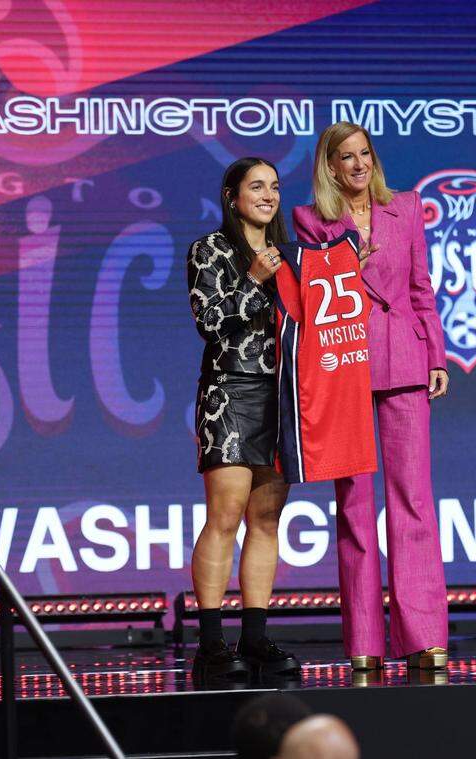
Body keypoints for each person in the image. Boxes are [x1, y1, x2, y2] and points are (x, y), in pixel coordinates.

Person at [293, 122, 450, 672]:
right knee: (355, 508)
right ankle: (365, 640)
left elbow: (419, 287)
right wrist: (348, 263)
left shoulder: (406, 207)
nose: (358, 164)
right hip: (347, 368)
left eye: (365, 154)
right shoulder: (310, 219)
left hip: (405, 359)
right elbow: (317, 295)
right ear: (330, 167)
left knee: (413, 501)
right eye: (346, 157)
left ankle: (424, 636)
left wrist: (435, 355)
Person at [187, 157, 300, 682]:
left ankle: (254, 639)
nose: (268, 195)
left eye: (274, 187)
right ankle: (211, 645)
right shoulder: (209, 249)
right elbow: (210, 322)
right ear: (232, 196)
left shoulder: (292, 254)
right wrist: (255, 280)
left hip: (281, 395)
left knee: (266, 519)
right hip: (230, 390)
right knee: (225, 517)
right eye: (257, 186)